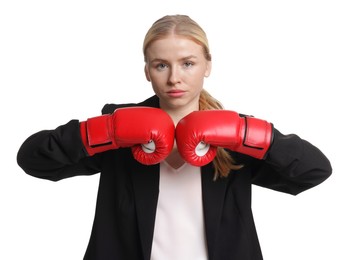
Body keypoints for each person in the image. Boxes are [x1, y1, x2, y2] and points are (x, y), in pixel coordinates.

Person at [17, 14, 332, 260]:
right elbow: (34, 161)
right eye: (161, 65)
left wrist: (250, 134)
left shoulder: (233, 136)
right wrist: (105, 131)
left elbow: (313, 171)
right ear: (147, 71)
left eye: (188, 63)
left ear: (207, 66)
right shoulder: (120, 130)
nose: (174, 77)